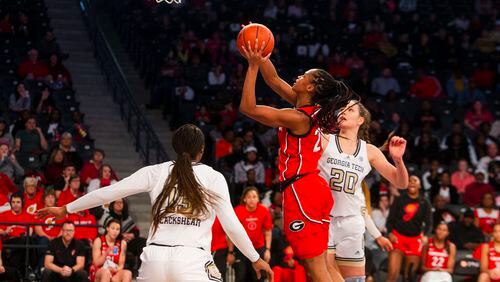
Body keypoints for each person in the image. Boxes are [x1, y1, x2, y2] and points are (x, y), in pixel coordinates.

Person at [37, 124, 273, 281]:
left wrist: (65, 208)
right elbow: (231, 225)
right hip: (193, 260)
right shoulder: (213, 176)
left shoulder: (156, 172)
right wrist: (255, 258)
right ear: (201, 151)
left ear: (175, 147)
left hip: (154, 260)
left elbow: (109, 192)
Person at [240, 37, 349, 282]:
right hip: (316, 188)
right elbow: (273, 80)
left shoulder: (299, 118)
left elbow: (248, 108)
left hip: (302, 191)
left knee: (314, 268)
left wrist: (252, 66)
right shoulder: (312, 110)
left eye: (305, 76)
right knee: (324, 264)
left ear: (311, 88)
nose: (299, 76)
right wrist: (260, 50)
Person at [317, 99, 408, 281]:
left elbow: (401, 183)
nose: (343, 111)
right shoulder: (324, 139)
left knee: (355, 280)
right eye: (342, 109)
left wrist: (398, 160)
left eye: (350, 110)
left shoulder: (369, 151)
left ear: (360, 120)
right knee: (324, 273)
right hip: (323, 219)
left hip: (352, 222)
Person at [386, 176, 433, 282]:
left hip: (414, 241)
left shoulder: (424, 202)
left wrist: (425, 235)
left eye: (415, 181)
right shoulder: (399, 200)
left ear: (420, 185)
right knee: (392, 275)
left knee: (410, 277)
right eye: (410, 181)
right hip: (398, 238)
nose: (412, 183)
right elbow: (390, 219)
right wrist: (390, 233)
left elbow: (429, 223)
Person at [229, 187, 273, 282]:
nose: (252, 199)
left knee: (259, 277)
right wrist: (230, 252)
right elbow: (232, 233)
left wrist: (268, 250)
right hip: (242, 249)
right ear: (244, 199)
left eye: (254, 197)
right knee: (241, 277)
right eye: (249, 197)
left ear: (258, 199)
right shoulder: (237, 211)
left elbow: (268, 232)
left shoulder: (264, 210)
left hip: (258, 249)